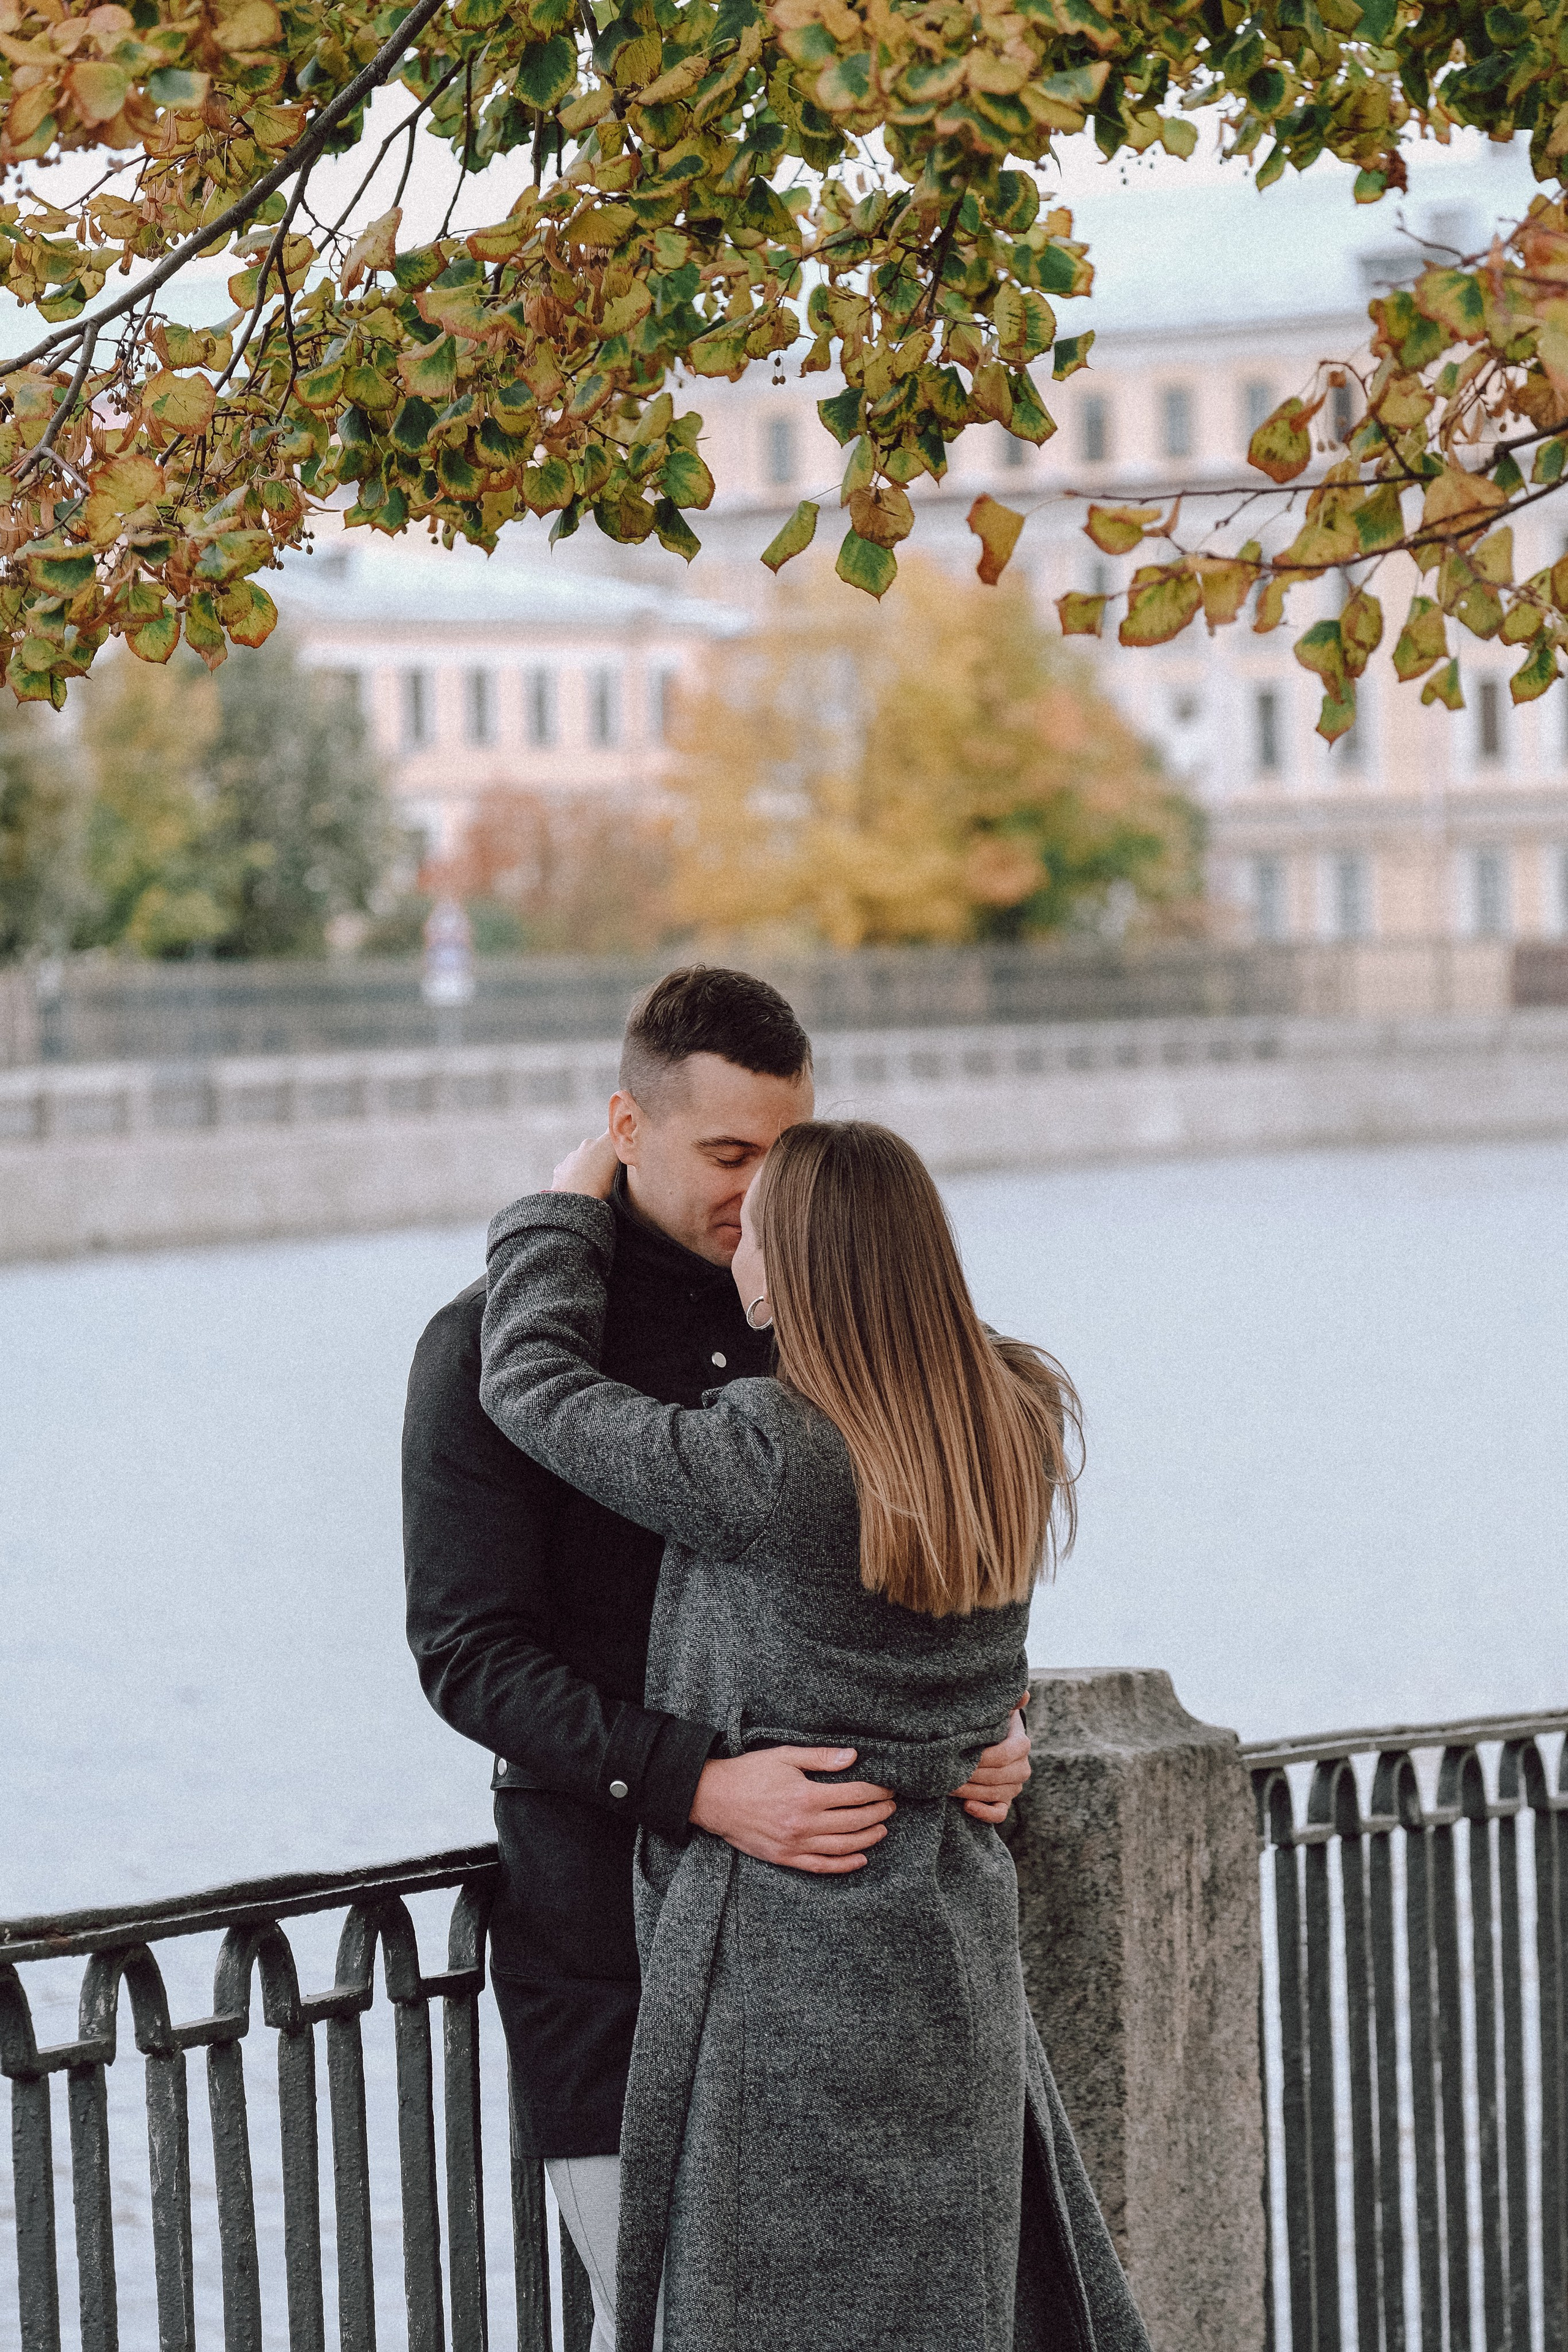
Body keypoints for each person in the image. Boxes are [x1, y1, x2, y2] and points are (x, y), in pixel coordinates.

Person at [402, 968, 1033, 2332]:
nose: (762, 1194)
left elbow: (944, 1543)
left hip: (867, 1957)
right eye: (731, 1154)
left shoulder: (856, 1334)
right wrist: (694, 1781)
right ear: (627, 1127)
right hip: (611, 1944)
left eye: (788, 1157)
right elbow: (468, 1654)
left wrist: (986, 1718)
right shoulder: (483, 1343)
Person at [479, 1117, 1152, 2352]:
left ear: (786, 1270)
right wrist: (996, 1728)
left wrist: (562, 1210)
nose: (738, 1243)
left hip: (787, 1970)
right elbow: (959, 1650)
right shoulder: (1012, 1415)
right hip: (952, 1946)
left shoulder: (768, 1454)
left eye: (759, 1229)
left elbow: (533, 1387)